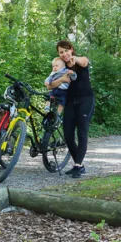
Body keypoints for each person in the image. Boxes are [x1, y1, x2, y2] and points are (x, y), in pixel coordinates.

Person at [47, 40, 95, 178]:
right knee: (68, 135)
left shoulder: (80, 61)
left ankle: (78, 165)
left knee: (82, 132)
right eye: (61, 52)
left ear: (71, 50)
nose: (64, 54)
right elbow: (50, 86)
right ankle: (79, 165)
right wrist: (61, 79)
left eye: (66, 51)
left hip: (86, 100)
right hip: (69, 102)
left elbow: (84, 61)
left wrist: (75, 59)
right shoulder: (60, 67)